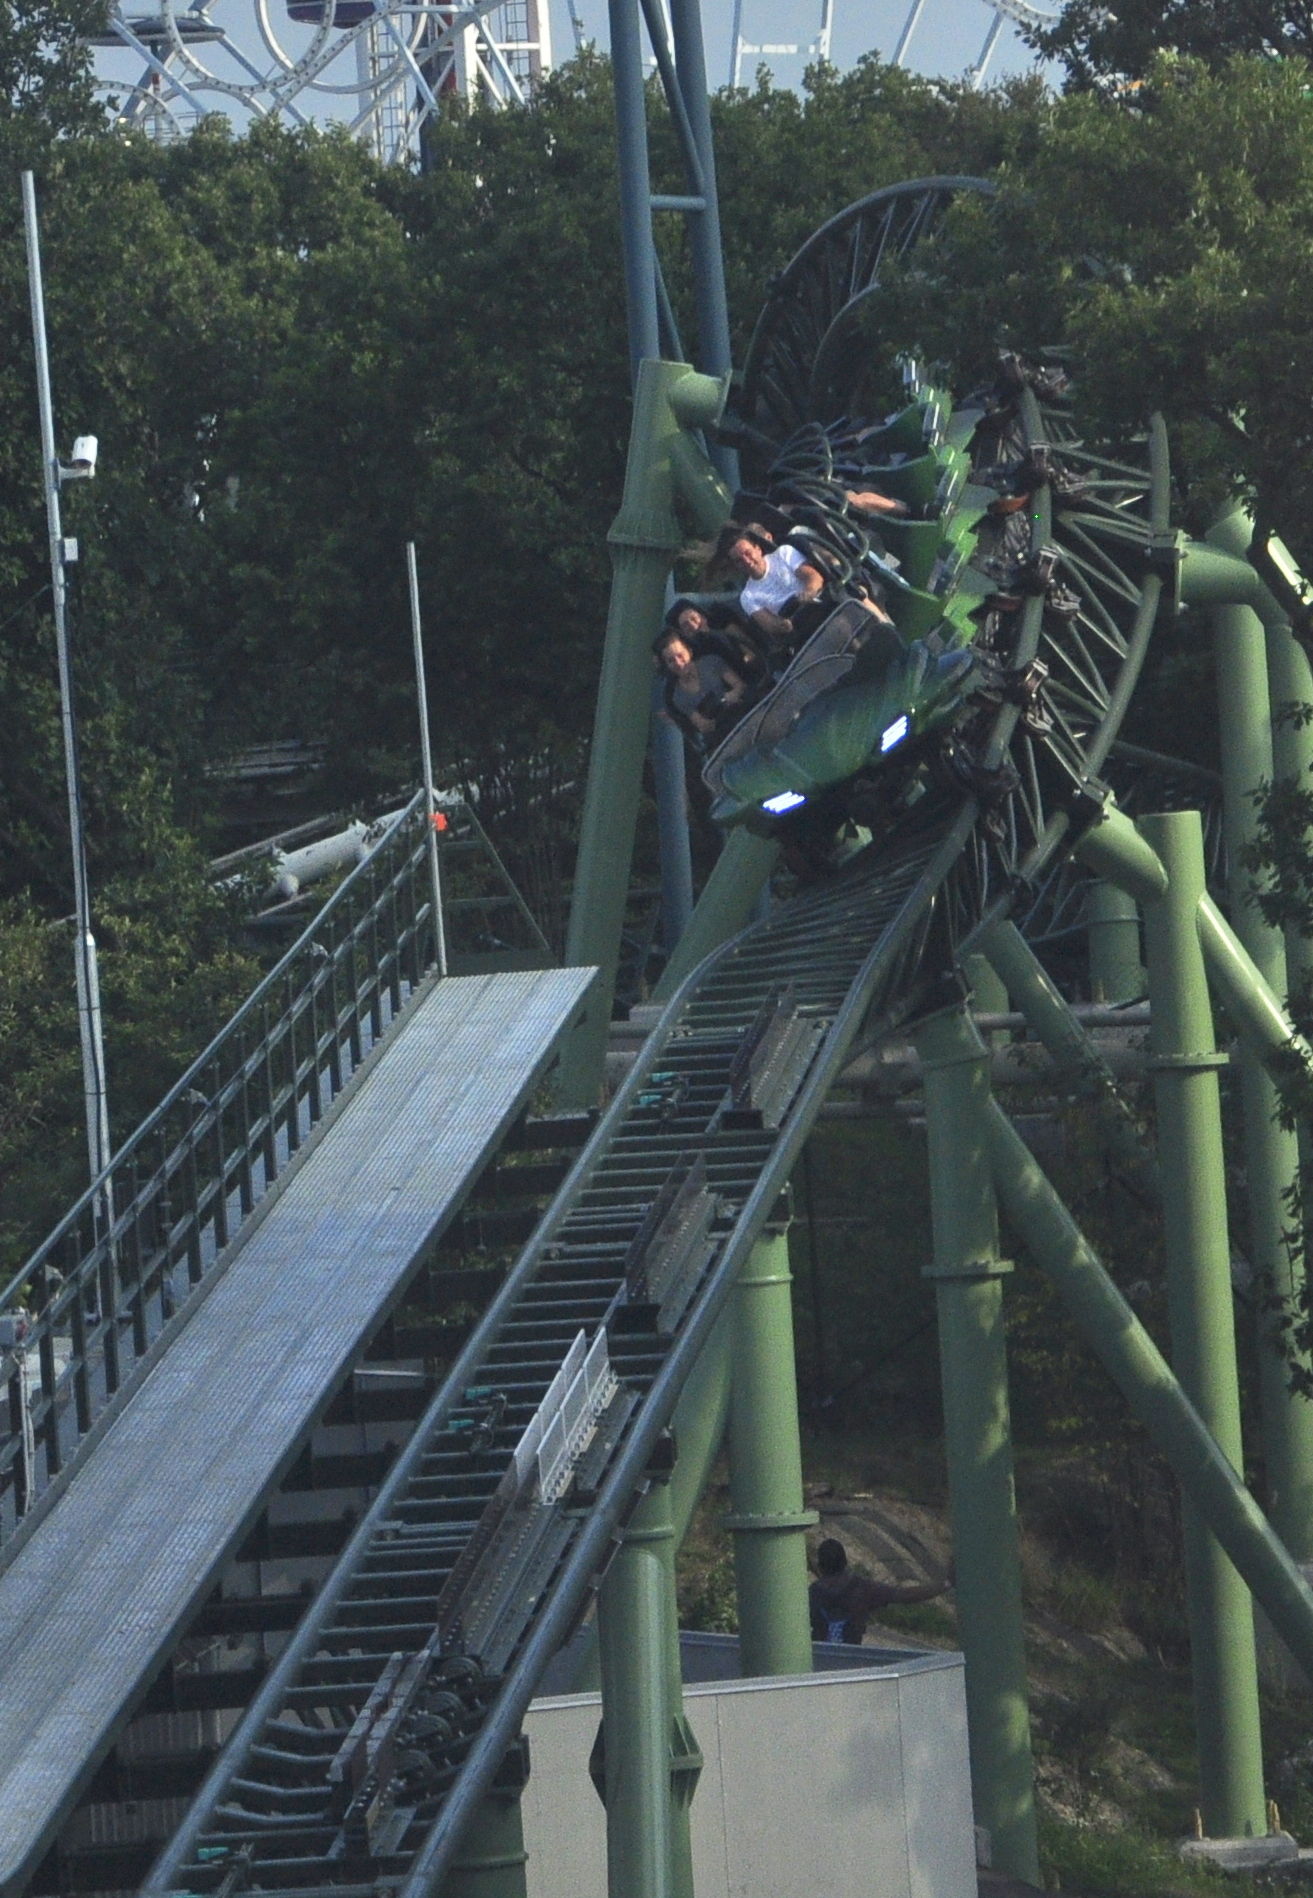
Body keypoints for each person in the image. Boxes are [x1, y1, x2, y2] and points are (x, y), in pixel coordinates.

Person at [808, 1536, 953, 1646]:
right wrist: (946, 1584)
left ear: (820, 1566)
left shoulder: (812, 1593)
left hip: (819, 1663)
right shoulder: (862, 1588)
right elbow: (905, 1595)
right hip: (852, 1664)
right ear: (845, 1563)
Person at [712, 523, 827, 651]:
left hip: (822, 606)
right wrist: (782, 625)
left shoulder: (783, 554)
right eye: (739, 560)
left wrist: (808, 592)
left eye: (748, 553)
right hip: (801, 631)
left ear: (758, 549)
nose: (747, 561)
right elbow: (769, 624)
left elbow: (814, 577)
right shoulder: (748, 596)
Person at [652, 626, 750, 746]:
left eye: (680, 655)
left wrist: (732, 695)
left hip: (744, 714)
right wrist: (709, 719)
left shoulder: (711, 662)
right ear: (667, 666)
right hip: (725, 737)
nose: (678, 663)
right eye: (671, 661)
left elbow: (740, 685)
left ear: (689, 651)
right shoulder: (678, 696)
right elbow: (701, 725)